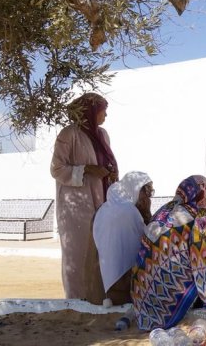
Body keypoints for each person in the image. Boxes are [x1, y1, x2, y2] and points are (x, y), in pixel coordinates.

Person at [131, 175, 206, 330]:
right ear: (205, 194)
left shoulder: (164, 210)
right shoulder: (200, 217)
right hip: (168, 308)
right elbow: (201, 265)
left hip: (143, 304)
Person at [50, 92, 119, 303]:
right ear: (90, 112)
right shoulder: (68, 134)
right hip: (75, 206)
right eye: (102, 110)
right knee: (77, 253)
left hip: (101, 200)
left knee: (101, 251)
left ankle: (98, 297)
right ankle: (76, 300)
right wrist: (87, 169)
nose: (105, 115)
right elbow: (57, 169)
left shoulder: (103, 135)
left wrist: (111, 172)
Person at [93, 171, 152, 306]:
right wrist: (147, 213)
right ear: (136, 189)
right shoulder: (130, 211)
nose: (148, 198)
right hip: (123, 290)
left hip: (99, 291)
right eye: (147, 192)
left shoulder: (103, 209)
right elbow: (151, 241)